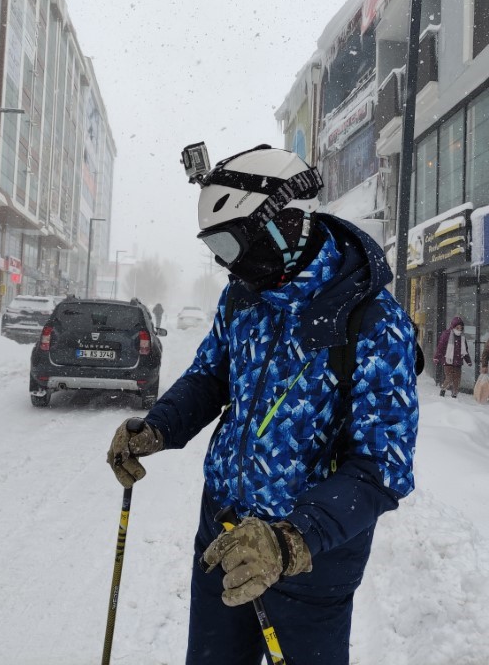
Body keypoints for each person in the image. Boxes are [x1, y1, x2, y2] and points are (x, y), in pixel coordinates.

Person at [107, 145, 419, 665]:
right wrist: (158, 426)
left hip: (309, 566)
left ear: (286, 225)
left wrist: (289, 541)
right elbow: (212, 375)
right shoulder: (244, 297)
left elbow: (384, 465)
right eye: (216, 248)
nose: (226, 264)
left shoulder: (372, 320)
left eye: (231, 244)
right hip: (223, 537)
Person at [434, 316, 472, 398]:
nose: (459, 329)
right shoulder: (446, 334)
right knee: (449, 377)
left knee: (457, 379)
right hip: (448, 360)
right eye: (457, 327)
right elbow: (440, 346)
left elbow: (465, 350)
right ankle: (443, 389)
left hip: (458, 361)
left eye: (460, 328)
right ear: (453, 326)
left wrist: (468, 360)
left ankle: (454, 394)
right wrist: (437, 357)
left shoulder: (462, 337)